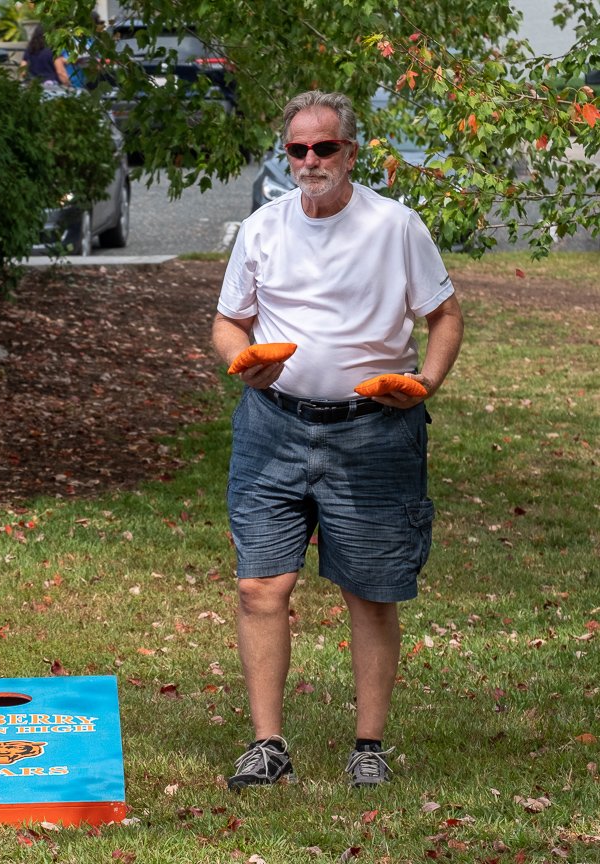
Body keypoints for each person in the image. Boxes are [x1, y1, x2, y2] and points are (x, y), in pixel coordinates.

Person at [211, 90, 463, 790]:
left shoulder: (395, 226)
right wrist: (245, 364)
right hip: (273, 427)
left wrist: (427, 383)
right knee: (262, 585)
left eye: (325, 148)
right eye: (298, 149)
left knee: (372, 592)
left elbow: (444, 316)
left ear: (351, 152)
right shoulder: (264, 227)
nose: (311, 160)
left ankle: (369, 747)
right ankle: (267, 745)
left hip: (374, 430)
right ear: (286, 155)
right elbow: (229, 323)